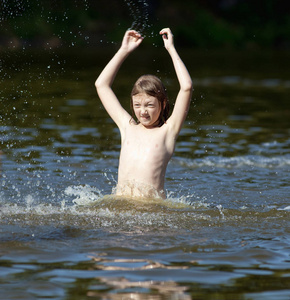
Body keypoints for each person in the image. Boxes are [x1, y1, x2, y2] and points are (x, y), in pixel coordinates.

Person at [95, 28, 192, 199]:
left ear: (162, 104)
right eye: (137, 105)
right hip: (121, 205)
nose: (143, 111)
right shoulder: (127, 127)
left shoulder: (168, 131)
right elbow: (101, 85)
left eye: (149, 105)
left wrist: (171, 48)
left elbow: (186, 87)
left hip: (152, 210)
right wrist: (123, 50)